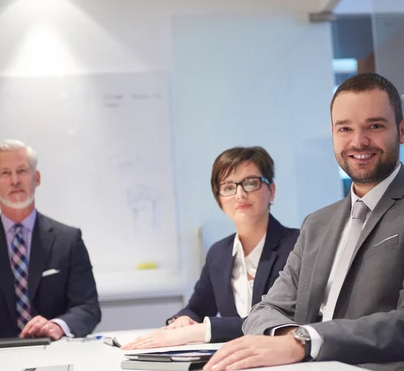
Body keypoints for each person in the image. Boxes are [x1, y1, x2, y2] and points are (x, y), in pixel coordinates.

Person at [203, 73, 404, 371]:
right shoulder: (318, 223)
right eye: (345, 129)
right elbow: (265, 310)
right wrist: (292, 340)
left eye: (375, 126)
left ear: (402, 131)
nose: (358, 141)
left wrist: (304, 342)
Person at [123, 146, 299, 350]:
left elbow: (280, 319)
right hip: (235, 364)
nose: (240, 194)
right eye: (228, 187)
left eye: (251, 183)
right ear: (219, 200)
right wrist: (183, 320)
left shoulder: (297, 245)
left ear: (272, 192)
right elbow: (196, 308)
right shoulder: (219, 253)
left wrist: (199, 331)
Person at [0, 140, 101, 345]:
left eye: (22, 171)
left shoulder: (69, 240)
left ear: (37, 178)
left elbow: (88, 308)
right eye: (5, 173)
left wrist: (57, 326)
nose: (15, 180)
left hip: (56, 354)